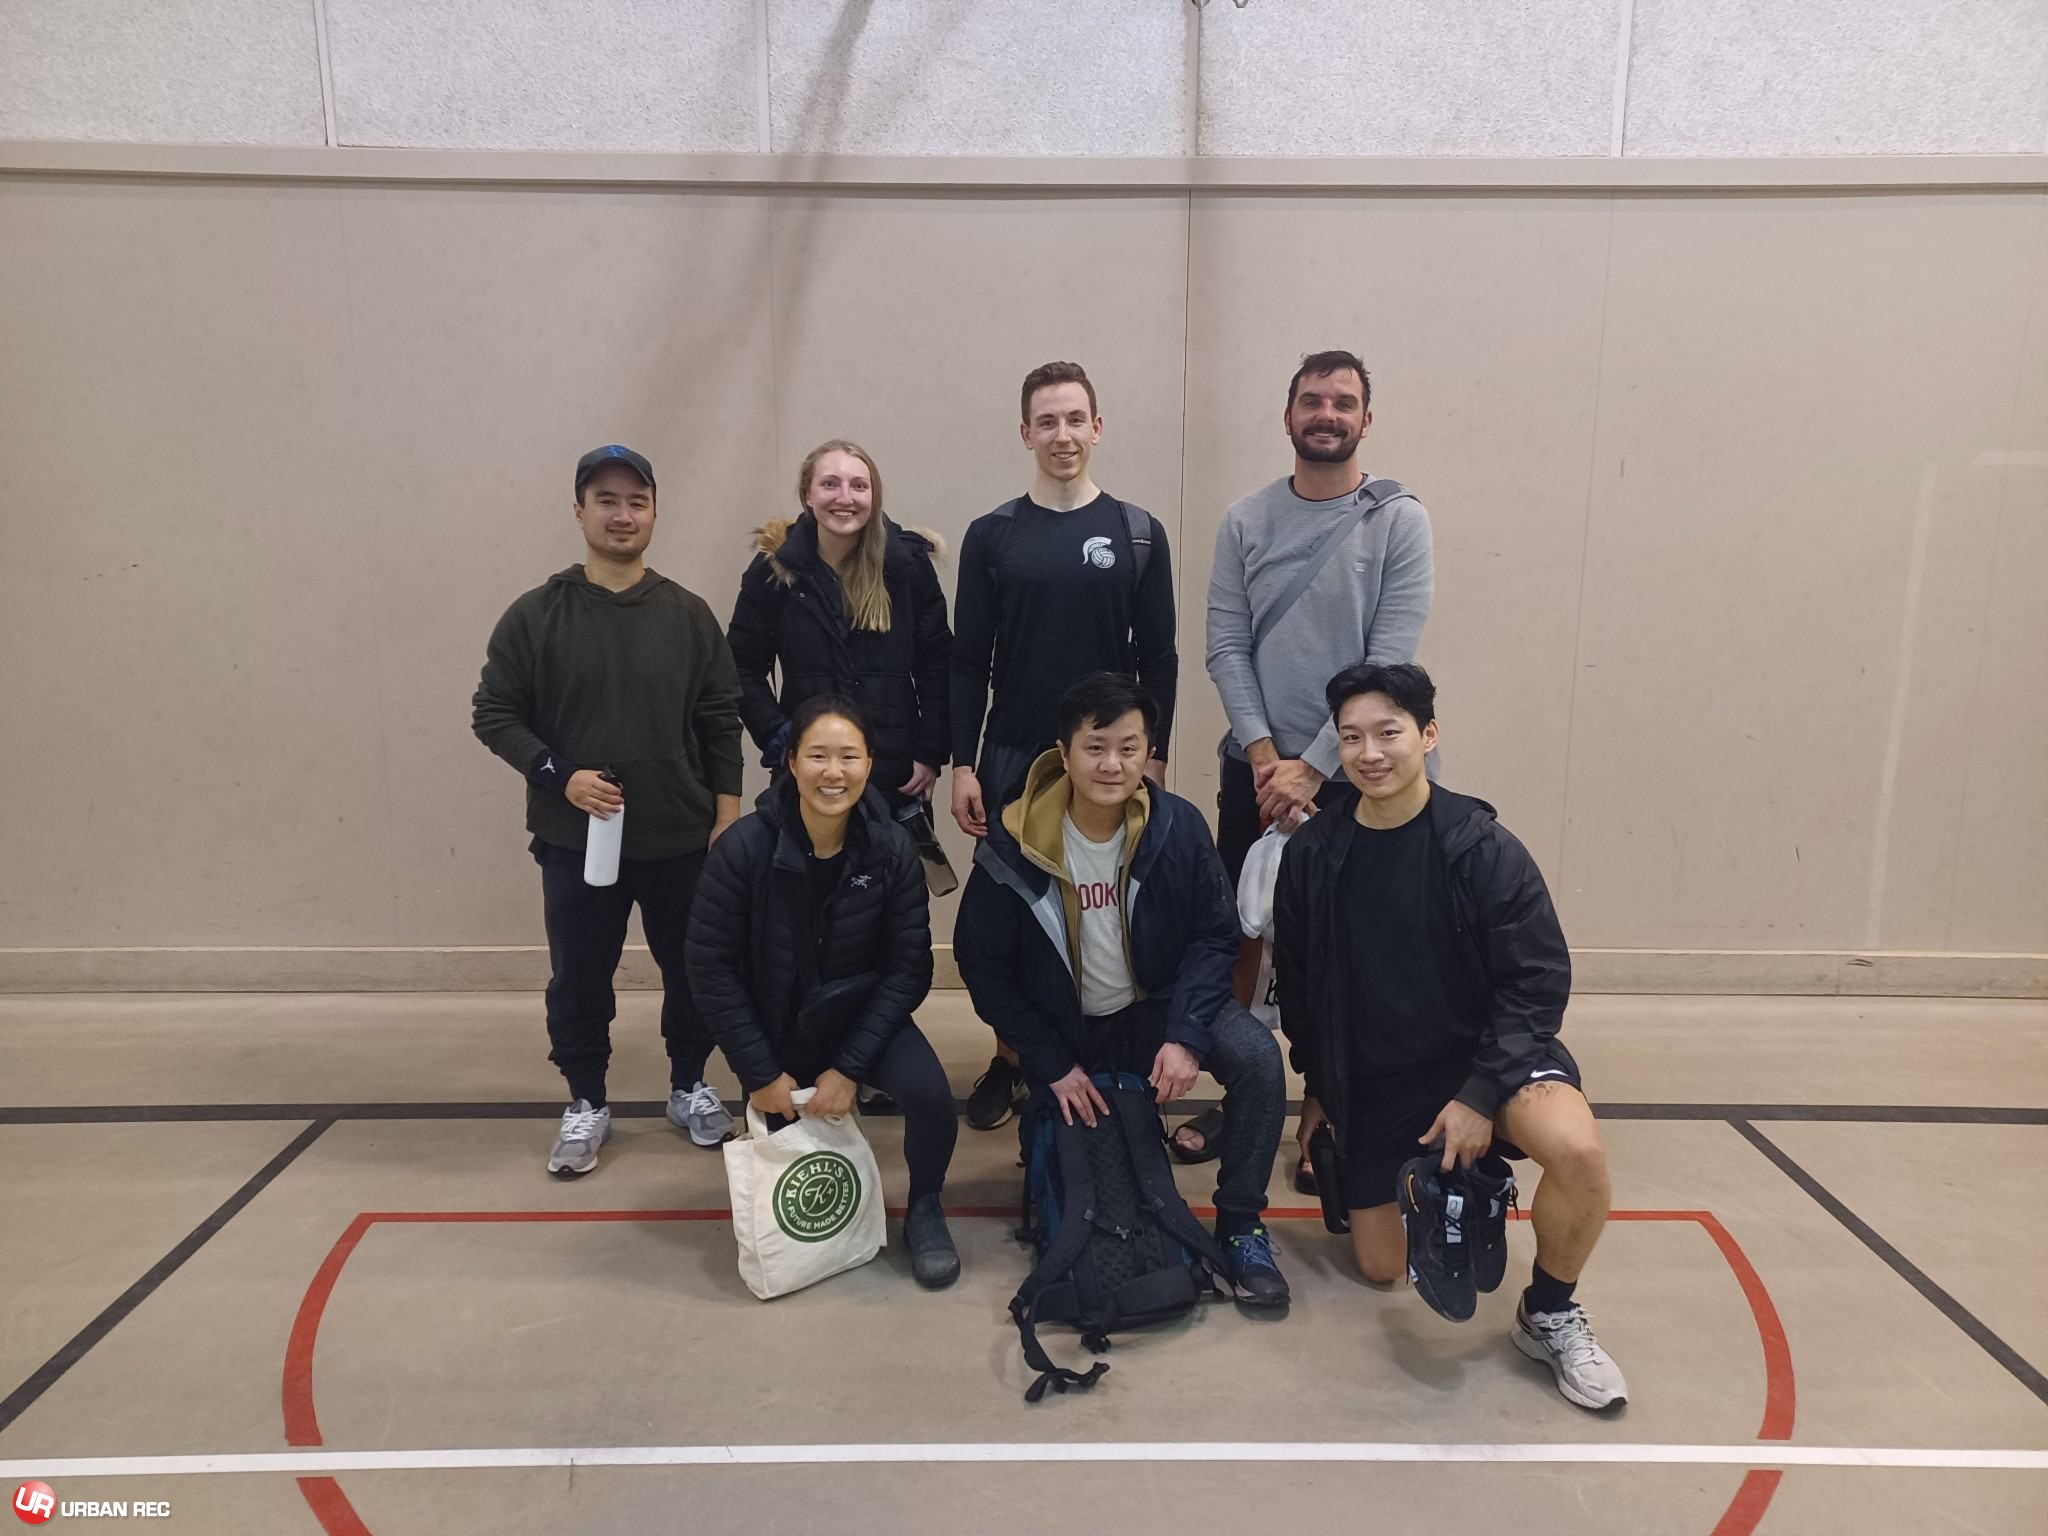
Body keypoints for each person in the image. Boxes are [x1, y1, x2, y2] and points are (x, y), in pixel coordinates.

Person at [1274, 662, 1627, 1410]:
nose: (1370, 753)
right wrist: (1318, 1089)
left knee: (1578, 1152)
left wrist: (1478, 1094)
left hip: (1491, 1061)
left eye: (1389, 733)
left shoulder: (1481, 847)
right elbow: (1301, 985)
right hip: (1380, 1077)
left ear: (1428, 736)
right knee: (1381, 1269)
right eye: (1352, 738)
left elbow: (1536, 983)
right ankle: (1447, 1178)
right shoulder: (1313, 854)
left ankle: (1550, 1311)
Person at [953, 673, 1288, 1305]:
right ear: (1064, 750)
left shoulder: (1177, 826)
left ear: (1149, 752)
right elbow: (984, 967)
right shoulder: (1012, 842)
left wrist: (1187, 1037)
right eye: (1096, 746)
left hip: (1158, 1011)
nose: (1113, 764)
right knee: (1067, 1155)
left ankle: (1242, 1223)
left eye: (1129, 748)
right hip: (1068, 1027)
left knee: (1258, 1060)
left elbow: (1214, 938)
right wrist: (1047, 1062)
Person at [1185, 348, 1434, 1168]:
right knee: (1242, 941)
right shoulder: (1245, 520)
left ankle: (1329, 1107)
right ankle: (1245, 1096)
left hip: (1359, 777)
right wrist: (1265, 757)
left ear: (1366, 420)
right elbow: (1225, 644)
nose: (1326, 413)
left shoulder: (1399, 520)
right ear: (1287, 416)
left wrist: (1317, 766)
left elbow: (1390, 660)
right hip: (1255, 772)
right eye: (1312, 400)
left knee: (1349, 950)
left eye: (1344, 402)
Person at [472, 445, 744, 1176]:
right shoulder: (536, 616)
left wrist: (726, 815)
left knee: (695, 972)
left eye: (637, 501)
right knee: (580, 976)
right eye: (607, 500)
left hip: (681, 839)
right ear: (580, 510)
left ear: (654, 511)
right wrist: (561, 776)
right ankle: (586, 1100)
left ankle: (689, 1085)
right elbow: (495, 714)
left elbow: (721, 720)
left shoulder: (687, 614)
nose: (623, 515)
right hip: (574, 841)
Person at [950, 362, 1179, 1131]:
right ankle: (1013, 1059)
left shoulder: (1138, 533)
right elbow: (968, 660)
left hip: (1110, 757)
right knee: (1007, 917)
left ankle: (1097, 1051)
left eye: (1075, 419)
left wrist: (1153, 754)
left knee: (1100, 909)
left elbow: (1162, 655)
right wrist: (962, 763)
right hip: (1015, 755)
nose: (1062, 435)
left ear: (1098, 427)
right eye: (1046, 422)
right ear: (1025, 434)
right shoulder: (992, 536)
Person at [685, 697, 960, 1288]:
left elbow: (907, 969)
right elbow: (710, 969)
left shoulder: (891, 851)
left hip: (858, 1021)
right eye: (817, 756)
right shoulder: (742, 849)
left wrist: (850, 1068)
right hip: (773, 1028)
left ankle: (926, 1208)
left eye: (849, 757)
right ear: (789, 762)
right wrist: (759, 1072)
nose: (833, 772)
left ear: (869, 764)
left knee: (933, 1099)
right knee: (789, 1158)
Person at [726, 439, 951, 812]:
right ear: (807, 495)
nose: (844, 497)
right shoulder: (773, 572)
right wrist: (778, 735)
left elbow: (937, 663)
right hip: (806, 775)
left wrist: (930, 752)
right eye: (830, 484)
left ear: (873, 496)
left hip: (894, 775)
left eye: (859, 486)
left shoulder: (907, 568)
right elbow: (738, 665)